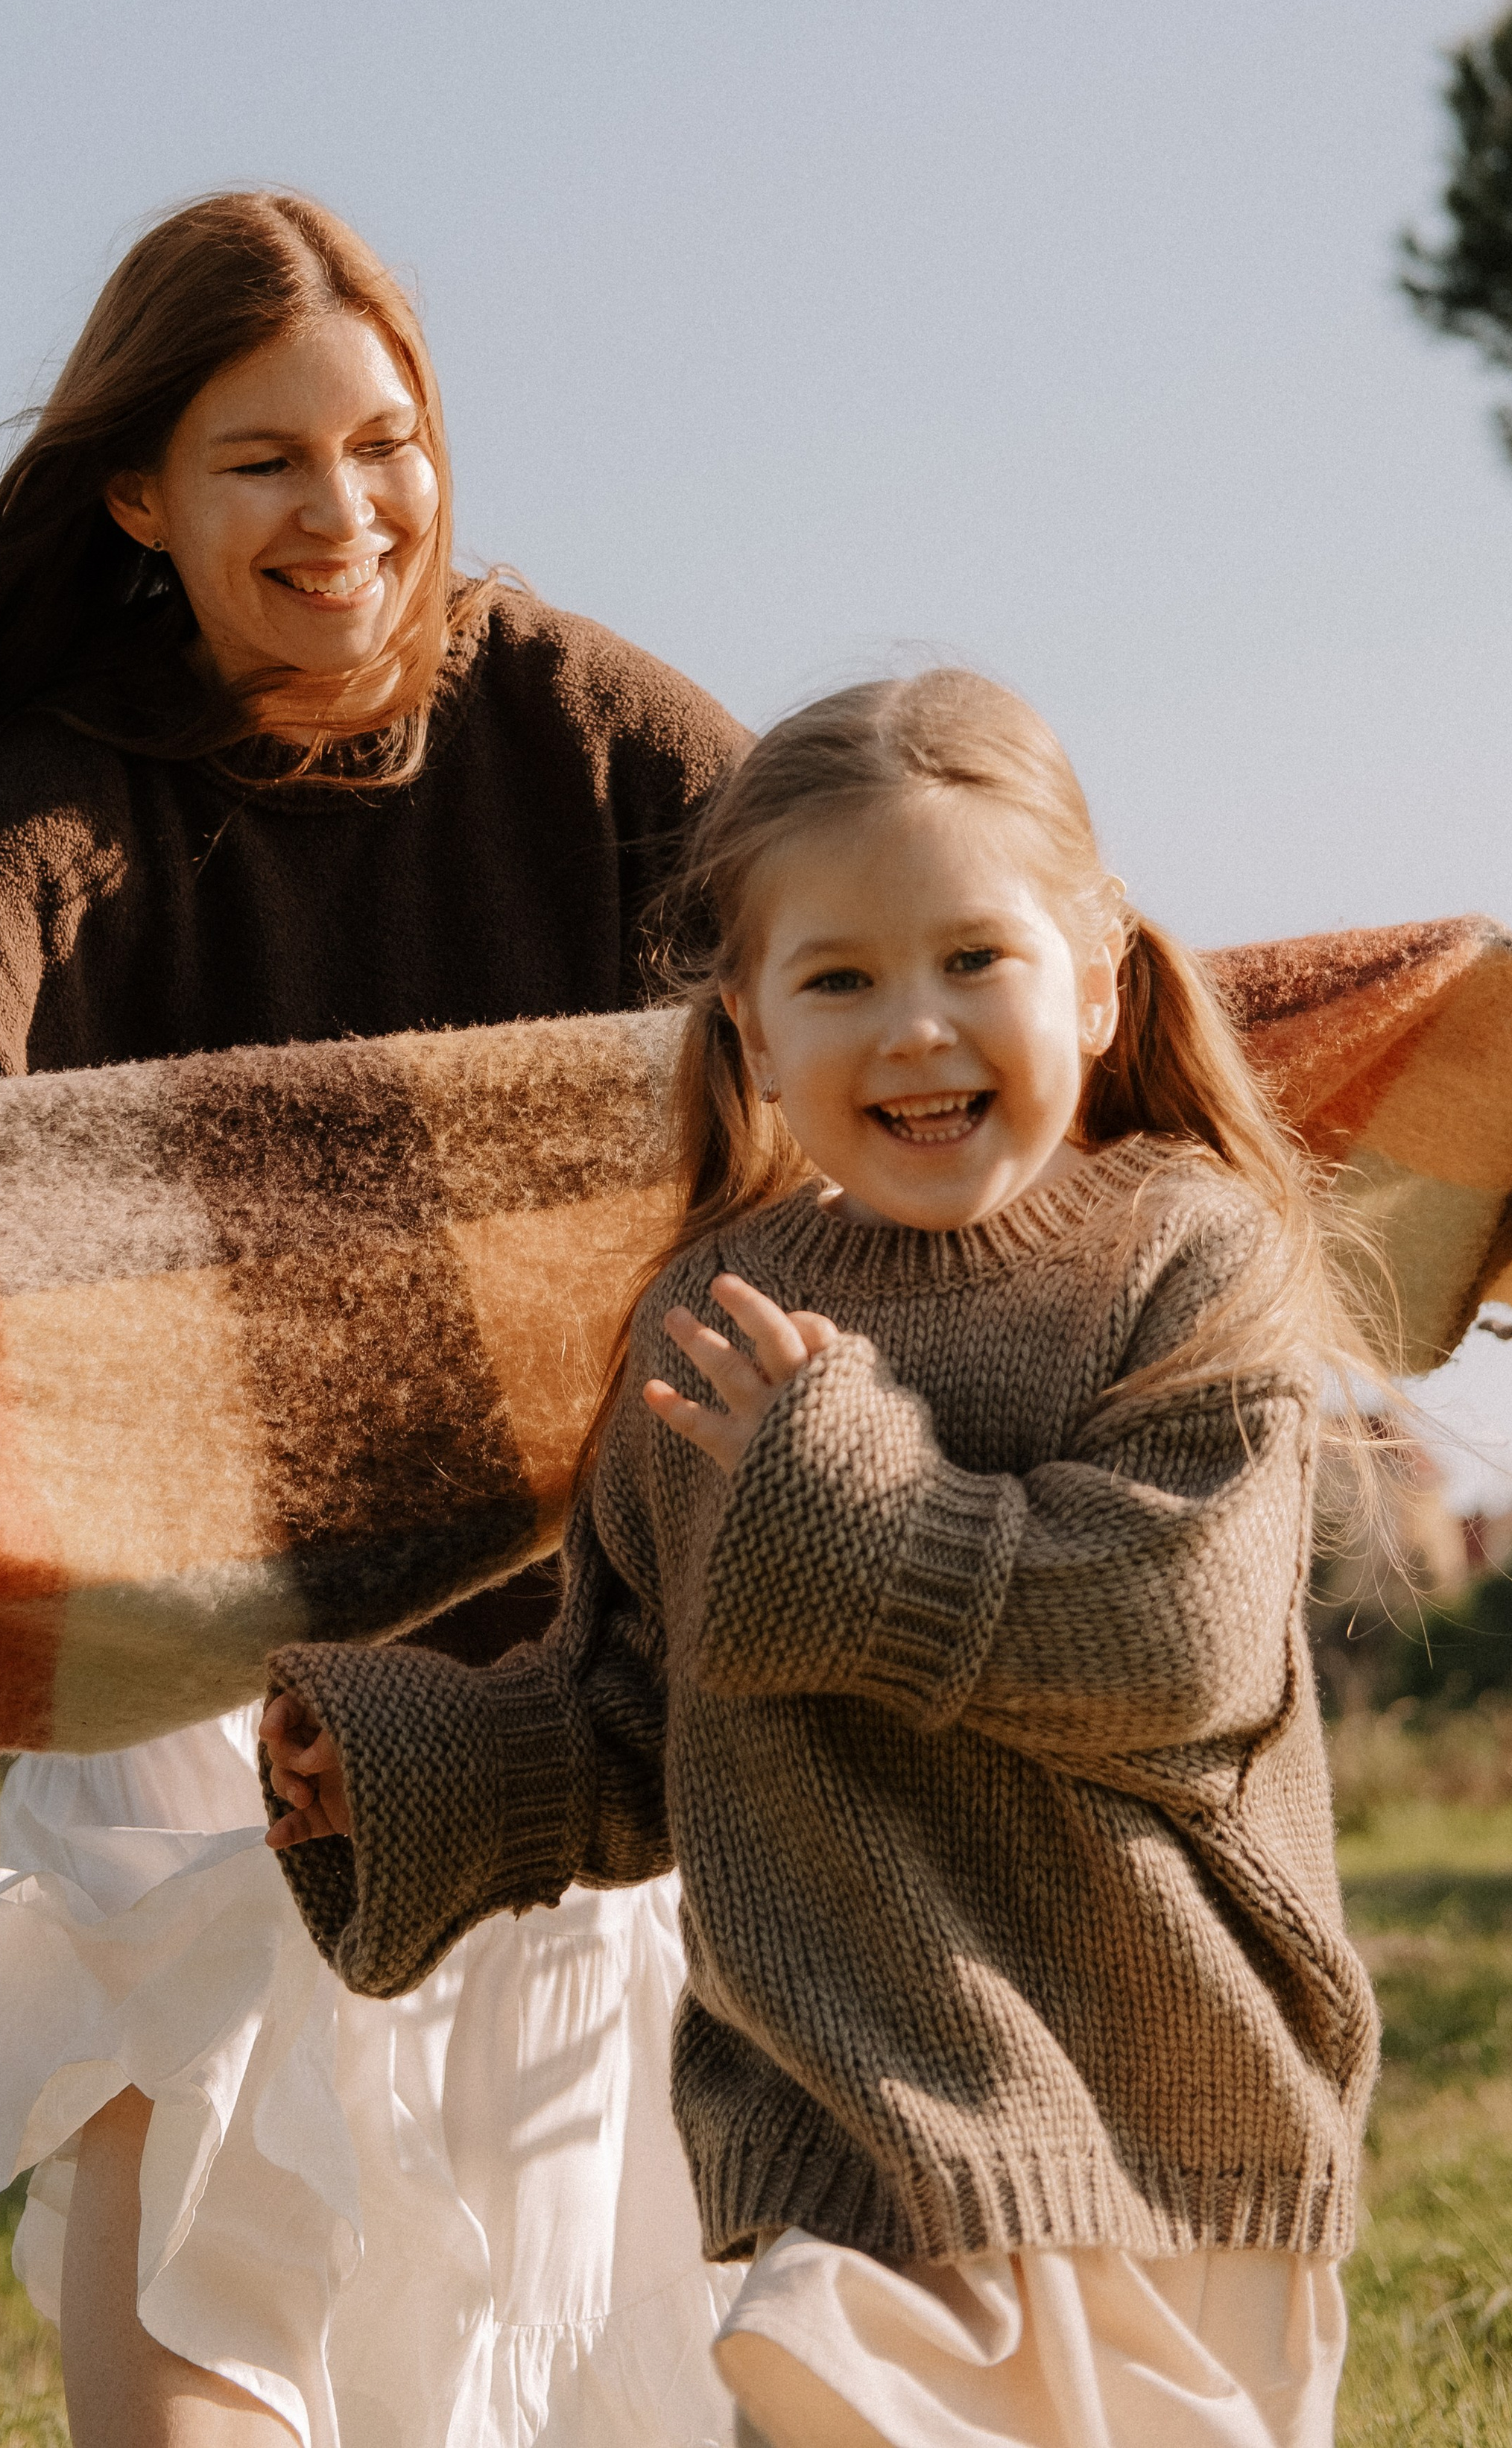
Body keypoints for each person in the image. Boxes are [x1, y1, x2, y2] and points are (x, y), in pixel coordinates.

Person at [0, 190, 749, 2448]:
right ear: (139, 497)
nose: (348, 508)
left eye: (387, 440)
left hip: (555, 1697)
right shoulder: (63, 808)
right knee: (203, 2252)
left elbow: (884, 949)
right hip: (191, 1676)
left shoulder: (587, 726)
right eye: (266, 459)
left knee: (552, 2357)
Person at [260, 668, 1384, 2448]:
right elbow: (651, 1721)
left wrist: (861, 1508)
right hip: (846, 2123)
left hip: (1151, 2115)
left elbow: (1173, 1636)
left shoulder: (1186, 1257)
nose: (913, 1029)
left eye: (972, 960)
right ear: (754, 1031)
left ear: (1093, 977)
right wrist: (431, 1767)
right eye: (840, 979)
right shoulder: (711, 1327)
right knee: (816, 2376)